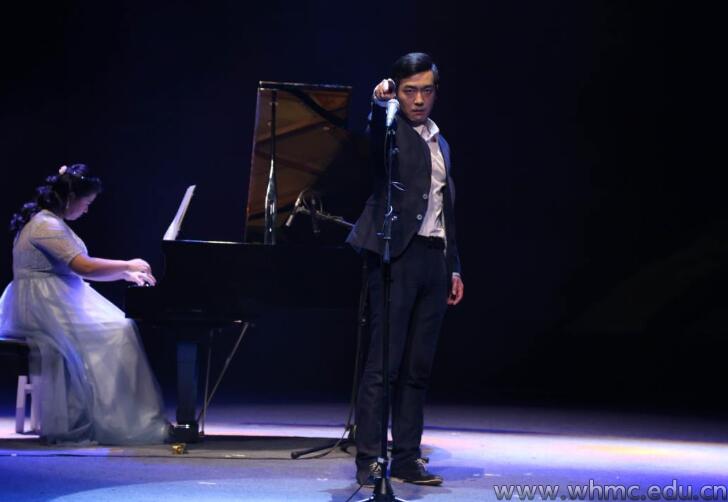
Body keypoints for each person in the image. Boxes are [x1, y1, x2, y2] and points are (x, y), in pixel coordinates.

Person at [346, 52, 464, 487]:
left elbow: (445, 210)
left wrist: (454, 268)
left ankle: (408, 458)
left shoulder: (440, 141)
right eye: (410, 91)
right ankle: (370, 460)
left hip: (434, 259)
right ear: (398, 91)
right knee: (384, 366)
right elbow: (375, 136)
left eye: (426, 91)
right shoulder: (391, 128)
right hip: (396, 255)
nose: (418, 100)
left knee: (418, 367)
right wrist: (380, 105)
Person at [0, 163, 169, 444]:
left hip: (53, 299)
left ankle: (117, 414)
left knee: (119, 327)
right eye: (86, 203)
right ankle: (118, 419)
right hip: (42, 306)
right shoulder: (45, 225)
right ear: (70, 198)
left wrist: (123, 273)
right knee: (118, 332)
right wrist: (127, 264)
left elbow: (81, 269)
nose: (87, 210)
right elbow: (84, 267)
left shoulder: (50, 222)